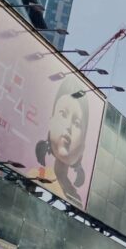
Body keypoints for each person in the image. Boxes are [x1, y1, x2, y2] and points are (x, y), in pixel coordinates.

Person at [30, 78, 92, 207]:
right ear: (51, 121)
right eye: (63, 114)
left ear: (83, 144)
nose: (68, 127)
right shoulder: (35, 176)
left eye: (76, 123)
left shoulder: (77, 201)